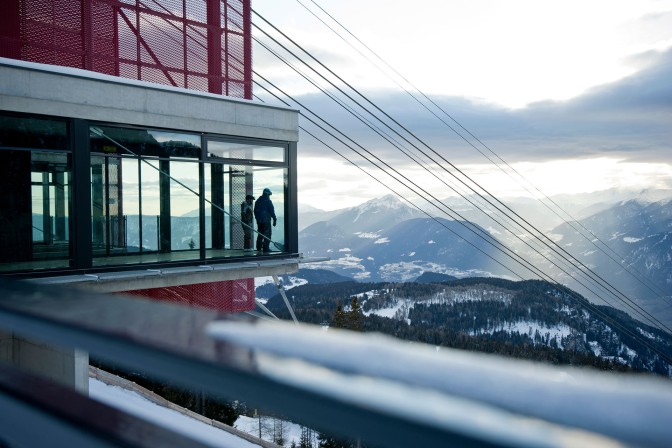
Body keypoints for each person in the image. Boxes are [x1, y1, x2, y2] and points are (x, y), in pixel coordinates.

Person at [254, 187, 276, 253]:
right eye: (269, 195)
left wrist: (258, 219)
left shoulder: (258, 201)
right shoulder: (268, 201)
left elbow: (255, 211)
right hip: (266, 221)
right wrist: (274, 219)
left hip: (259, 221)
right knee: (267, 234)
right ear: (267, 194)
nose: (269, 196)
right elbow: (271, 211)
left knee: (260, 234)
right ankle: (265, 248)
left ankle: (258, 248)